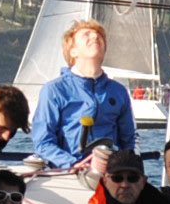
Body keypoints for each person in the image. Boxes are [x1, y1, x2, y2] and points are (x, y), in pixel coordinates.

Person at [28, 18, 136, 174]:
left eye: (99, 35)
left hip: (110, 174)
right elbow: (43, 142)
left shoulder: (118, 91)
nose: (95, 37)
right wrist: (72, 164)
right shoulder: (54, 90)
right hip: (68, 173)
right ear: (73, 51)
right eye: (87, 35)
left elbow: (128, 139)